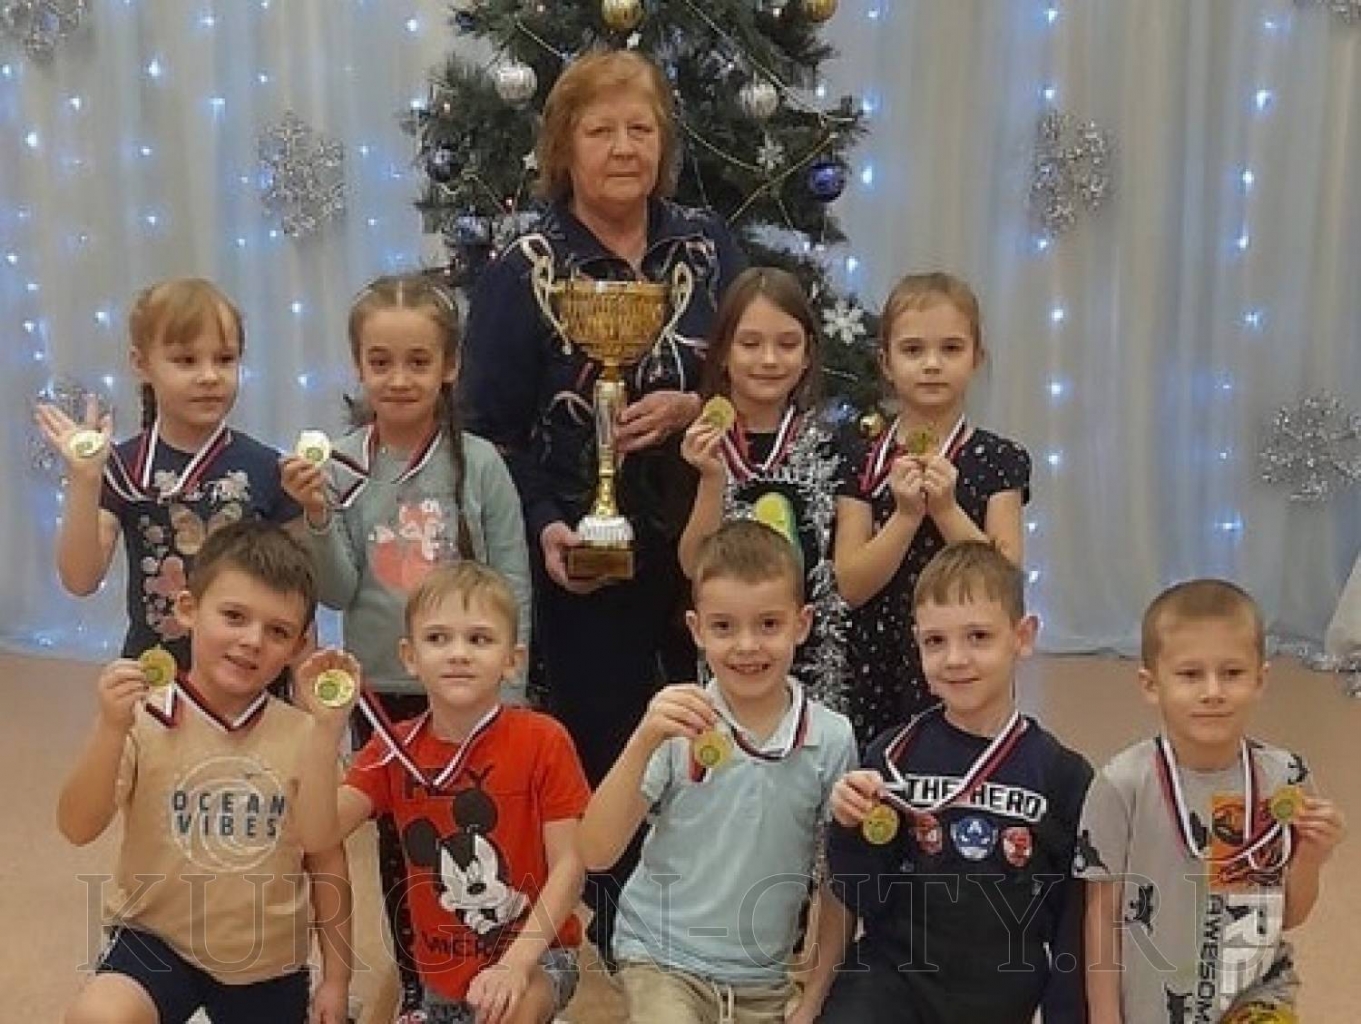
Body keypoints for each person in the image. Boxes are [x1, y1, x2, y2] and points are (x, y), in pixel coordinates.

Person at [461, 48, 746, 954]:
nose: (623, 147)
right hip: (579, 546)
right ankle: (617, 907)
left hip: (705, 532)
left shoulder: (707, 246)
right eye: (600, 131)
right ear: (563, 147)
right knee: (604, 726)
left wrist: (697, 406)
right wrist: (545, 526)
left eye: (640, 128)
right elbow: (488, 432)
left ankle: (714, 895)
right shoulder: (524, 267)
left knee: (716, 711)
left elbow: (758, 370)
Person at [282, 273, 533, 1013]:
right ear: (358, 366)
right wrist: (316, 517)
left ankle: (487, 971)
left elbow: (512, 579)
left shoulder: (479, 465)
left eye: (418, 361)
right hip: (384, 696)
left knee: (483, 834)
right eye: (381, 361)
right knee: (403, 845)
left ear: (449, 366)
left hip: (472, 693)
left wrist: (510, 691)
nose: (399, 378)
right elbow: (336, 589)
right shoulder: (339, 466)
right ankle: (421, 984)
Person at [57, 521, 350, 1024]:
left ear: (298, 647)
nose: (252, 641)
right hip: (154, 937)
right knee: (98, 1017)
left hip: (267, 960)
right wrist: (109, 728)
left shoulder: (307, 736)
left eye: (278, 631)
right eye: (234, 616)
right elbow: (76, 827)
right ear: (188, 609)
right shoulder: (142, 717)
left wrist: (337, 979)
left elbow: (326, 856)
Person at [579, 520, 858, 1023]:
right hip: (660, 957)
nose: (747, 646)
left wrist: (813, 999)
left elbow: (839, 880)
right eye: (724, 626)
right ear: (697, 630)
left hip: (763, 980)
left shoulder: (832, 739)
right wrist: (643, 740)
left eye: (768, 624)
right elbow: (596, 852)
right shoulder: (676, 721)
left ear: (802, 624)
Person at [293, 562, 590, 1024]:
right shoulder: (393, 748)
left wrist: (514, 965)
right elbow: (317, 834)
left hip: (537, 954)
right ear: (409, 656)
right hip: (441, 974)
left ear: (512, 660)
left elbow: (570, 867)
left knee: (505, 1010)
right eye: (437, 638)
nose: (458, 654)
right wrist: (325, 728)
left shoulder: (544, 740)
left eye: (479, 639)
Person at [821, 540, 1091, 1023]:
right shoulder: (892, 756)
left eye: (978, 637)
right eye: (935, 641)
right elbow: (865, 895)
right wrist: (848, 829)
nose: (955, 659)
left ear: (1023, 636)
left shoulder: (1062, 775)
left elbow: (1073, 923)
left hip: (996, 999)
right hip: (891, 984)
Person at [1078, 579, 1347, 1024]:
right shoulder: (1121, 784)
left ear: (1260, 680)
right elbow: (1101, 918)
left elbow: (1288, 917)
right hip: (1152, 1005)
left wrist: (1311, 858)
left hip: (1255, 995)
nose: (1213, 691)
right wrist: (1105, 1017)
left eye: (1232, 673)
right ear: (1150, 685)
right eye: (1190, 674)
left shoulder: (1283, 779)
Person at [35, 278, 301, 676]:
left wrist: (303, 697)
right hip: (156, 678)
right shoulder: (124, 467)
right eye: (186, 360)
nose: (209, 376)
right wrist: (84, 479)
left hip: (248, 680)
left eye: (225, 359)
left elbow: (296, 597)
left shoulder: (267, 467)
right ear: (141, 364)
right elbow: (80, 579)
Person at [834, 272, 1030, 748]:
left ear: (976, 357)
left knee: (961, 766)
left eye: (951, 349)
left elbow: (1005, 580)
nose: (932, 364)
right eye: (913, 350)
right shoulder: (858, 458)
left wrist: (945, 510)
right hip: (877, 659)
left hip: (965, 658)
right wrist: (905, 518)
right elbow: (850, 585)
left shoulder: (998, 459)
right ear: (886, 362)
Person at [678, 266, 850, 711]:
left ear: (808, 354)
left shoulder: (833, 448)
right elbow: (692, 564)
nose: (769, 360)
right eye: (750, 344)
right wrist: (711, 480)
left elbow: (846, 571)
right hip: (729, 663)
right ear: (722, 352)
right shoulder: (695, 445)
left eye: (787, 344)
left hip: (819, 666)